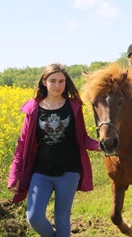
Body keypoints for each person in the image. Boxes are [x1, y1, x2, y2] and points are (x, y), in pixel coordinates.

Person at [7, 63, 100, 236]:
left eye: (61, 81)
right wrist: (15, 175)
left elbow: (83, 138)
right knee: (33, 216)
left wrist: (99, 145)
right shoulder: (33, 108)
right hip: (41, 172)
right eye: (53, 81)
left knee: (62, 220)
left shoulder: (73, 107)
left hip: (69, 172)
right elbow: (22, 144)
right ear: (44, 81)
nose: (57, 85)